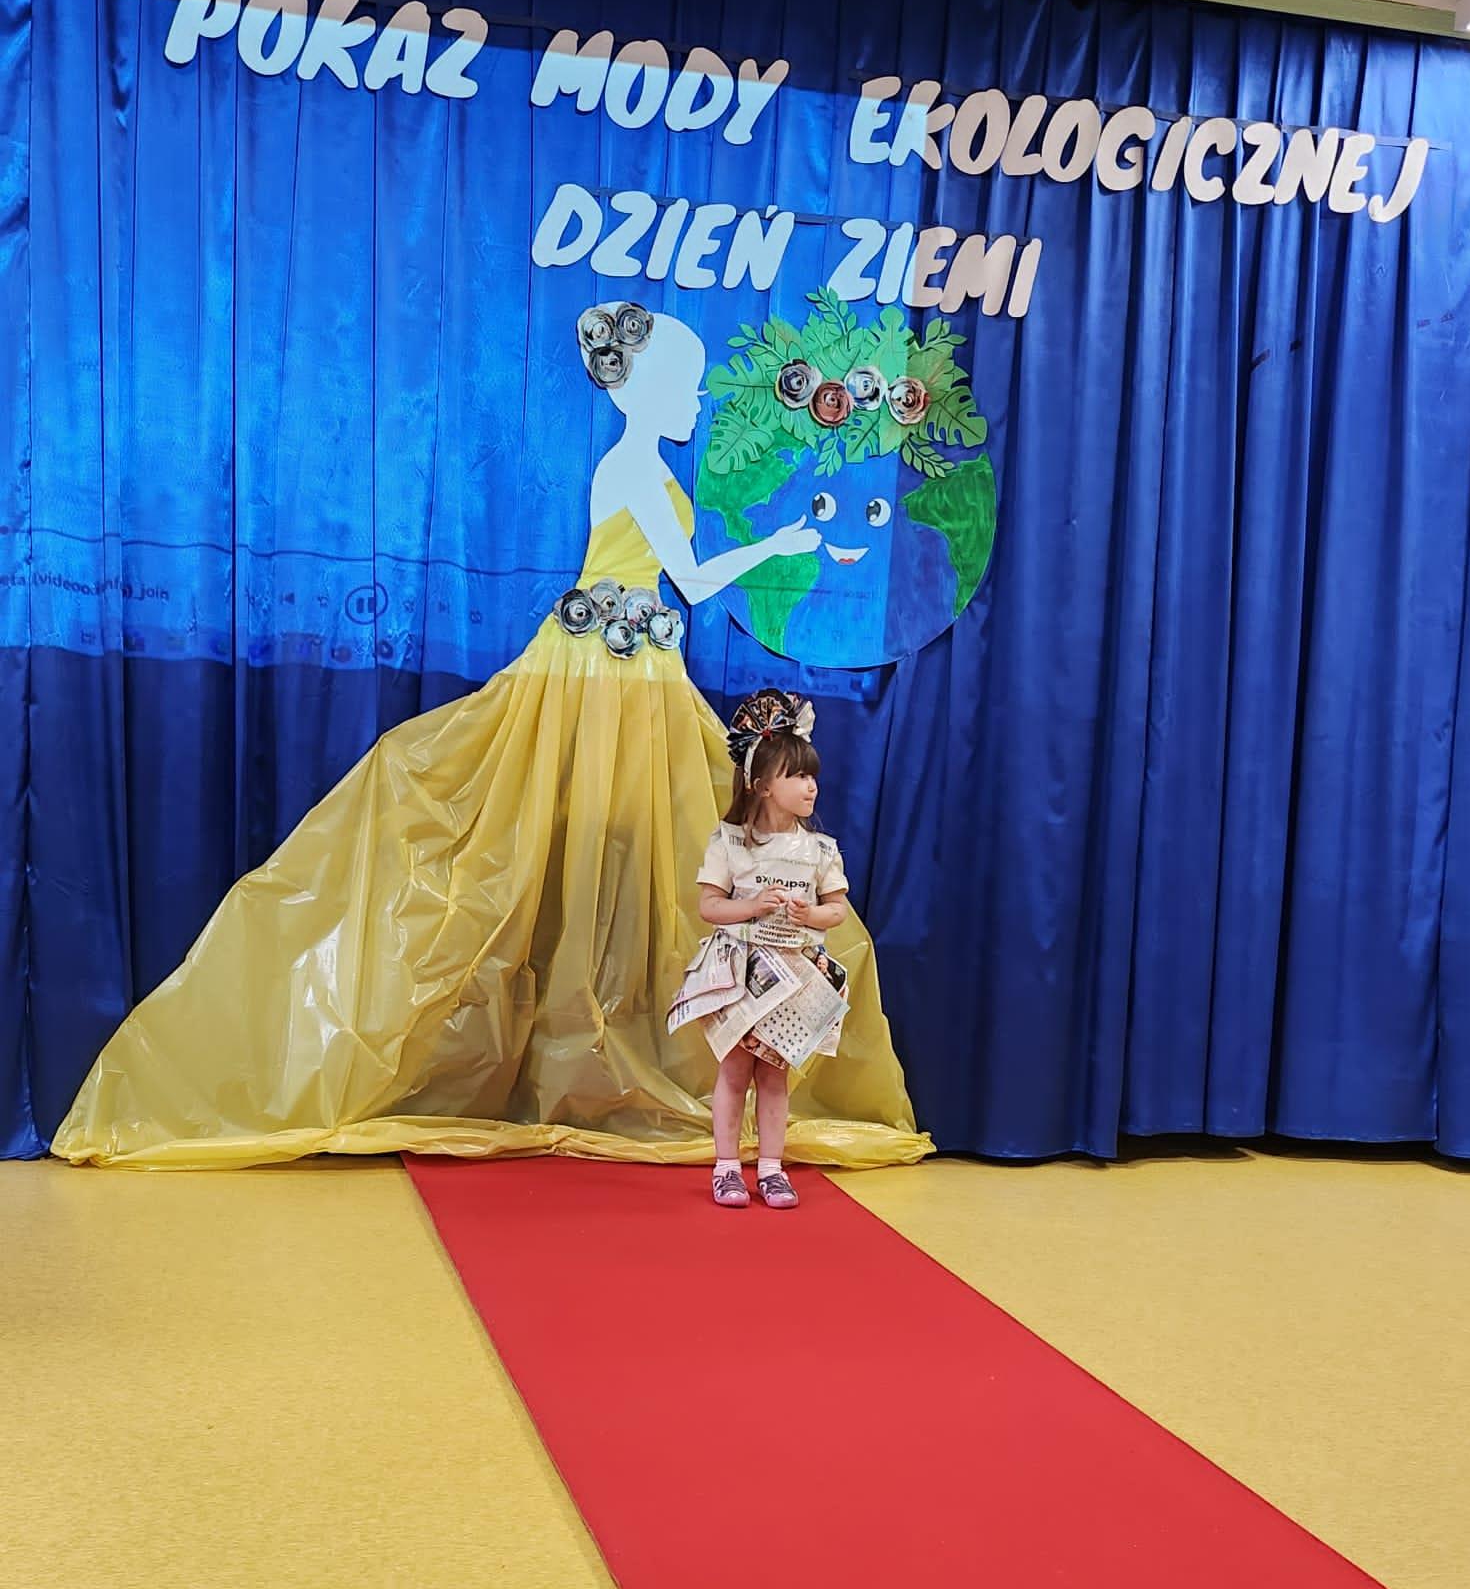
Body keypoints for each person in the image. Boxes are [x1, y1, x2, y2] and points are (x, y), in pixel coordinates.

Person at [52, 304, 930, 1171]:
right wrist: (777, 544)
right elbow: (692, 582)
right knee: (565, 853)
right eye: (686, 387)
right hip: (599, 679)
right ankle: (556, 1050)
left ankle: (610, 1052)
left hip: (636, 677)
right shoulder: (630, 468)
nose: (697, 403)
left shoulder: (646, 467)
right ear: (644, 389)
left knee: (629, 858)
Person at [688, 689, 853, 1210]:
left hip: (793, 977)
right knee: (735, 1071)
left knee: (775, 1074)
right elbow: (709, 906)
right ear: (762, 785)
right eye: (797, 776)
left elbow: (837, 911)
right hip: (742, 975)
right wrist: (752, 905)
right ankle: (726, 1168)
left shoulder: (820, 850)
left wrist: (810, 916)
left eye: (812, 775)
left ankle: (772, 1169)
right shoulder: (730, 842)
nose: (811, 786)